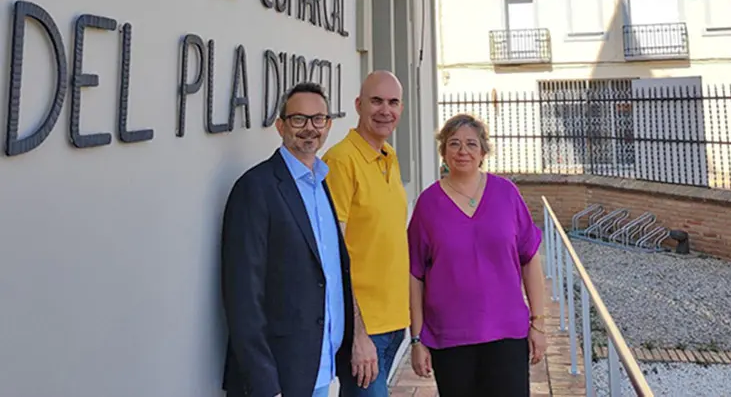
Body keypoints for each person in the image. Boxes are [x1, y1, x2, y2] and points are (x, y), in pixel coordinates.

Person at [220, 82, 353, 397]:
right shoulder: (256, 189)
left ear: (329, 125)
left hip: (322, 369)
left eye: (318, 119)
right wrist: (266, 385)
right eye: (299, 119)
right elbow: (243, 297)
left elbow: (332, 275)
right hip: (280, 377)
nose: (310, 128)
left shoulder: (321, 182)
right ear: (280, 126)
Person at [408, 113, 547, 397]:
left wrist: (539, 323)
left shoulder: (507, 194)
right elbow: (415, 274)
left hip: (507, 332)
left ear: (483, 152)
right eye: (454, 144)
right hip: (450, 337)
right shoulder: (428, 203)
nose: (462, 151)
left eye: (471, 144)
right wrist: (416, 339)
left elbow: (529, 258)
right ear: (443, 152)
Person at [323, 71, 409, 397]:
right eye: (376, 101)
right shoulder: (341, 160)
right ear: (359, 105)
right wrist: (357, 333)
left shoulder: (389, 156)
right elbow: (333, 253)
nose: (385, 110)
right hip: (363, 327)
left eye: (393, 102)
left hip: (393, 321)